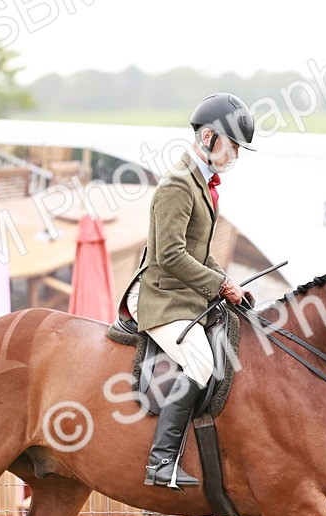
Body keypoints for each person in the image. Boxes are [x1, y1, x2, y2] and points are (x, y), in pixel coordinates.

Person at [122, 92, 255, 490]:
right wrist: (218, 284)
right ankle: (161, 462)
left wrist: (229, 284)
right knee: (201, 364)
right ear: (210, 138)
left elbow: (200, 253)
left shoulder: (201, 184)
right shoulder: (177, 185)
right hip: (160, 296)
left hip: (182, 293)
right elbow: (170, 256)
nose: (235, 155)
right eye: (233, 146)